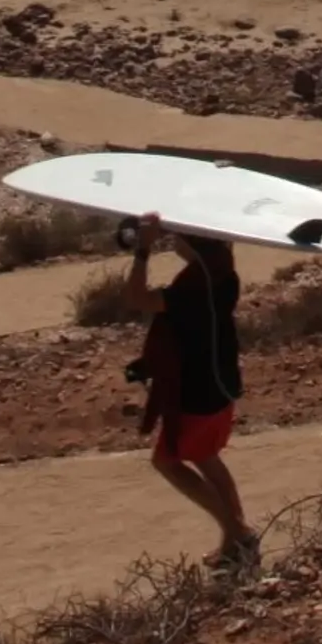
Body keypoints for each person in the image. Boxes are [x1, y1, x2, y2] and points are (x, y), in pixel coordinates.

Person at [121, 219, 255, 569]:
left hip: (196, 390)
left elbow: (137, 298)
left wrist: (143, 249)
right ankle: (236, 538)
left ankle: (237, 530)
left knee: (167, 461)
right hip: (219, 382)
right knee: (207, 457)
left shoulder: (194, 287)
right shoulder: (223, 274)